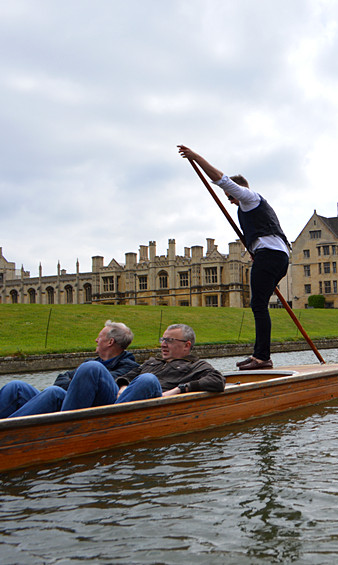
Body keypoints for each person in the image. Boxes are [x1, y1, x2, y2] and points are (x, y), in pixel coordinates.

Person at [178, 145, 290, 371]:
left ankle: (262, 357)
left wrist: (196, 157)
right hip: (273, 256)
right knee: (259, 304)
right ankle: (259, 355)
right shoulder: (250, 207)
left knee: (258, 305)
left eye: (230, 196)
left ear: (238, 189)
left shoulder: (249, 197)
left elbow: (221, 179)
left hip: (270, 256)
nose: (229, 200)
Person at [8, 324, 225, 418]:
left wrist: (179, 389)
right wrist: (122, 386)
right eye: (162, 339)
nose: (163, 344)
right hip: (116, 402)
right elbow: (127, 377)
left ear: (186, 345)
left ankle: (67, 426)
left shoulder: (196, 365)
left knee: (147, 380)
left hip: (143, 405)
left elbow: (218, 381)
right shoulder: (151, 362)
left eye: (169, 340)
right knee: (22, 388)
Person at [1, 321, 139, 419]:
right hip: (67, 402)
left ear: (110, 342)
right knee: (16, 387)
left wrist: (76, 380)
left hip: (91, 412)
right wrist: (75, 382)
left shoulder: (128, 366)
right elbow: (61, 380)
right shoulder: (91, 362)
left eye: (100, 337)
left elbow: (89, 386)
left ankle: (6, 434)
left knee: (53, 392)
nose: (96, 340)